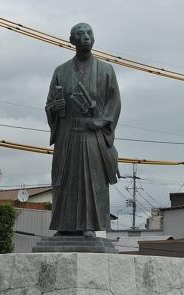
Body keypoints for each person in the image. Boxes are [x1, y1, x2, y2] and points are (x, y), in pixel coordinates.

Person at [45, 23, 121, 237]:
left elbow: (114, 102)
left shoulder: (106, 70)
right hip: (67, 132)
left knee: (91, 180)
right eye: (80, 34)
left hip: (92, 132)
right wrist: (55, 108)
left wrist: (101, 120)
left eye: (89, 33)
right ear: (72, 40)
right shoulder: (61, 71)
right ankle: (64, 225)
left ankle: (89, 225)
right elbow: (50, 103)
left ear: (93, 38)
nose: (86, 37)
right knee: (65, 178)